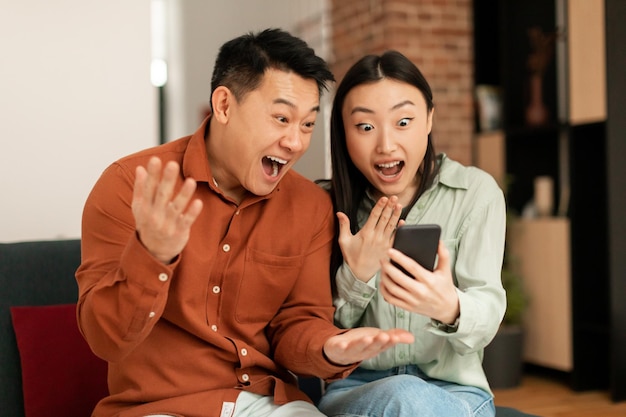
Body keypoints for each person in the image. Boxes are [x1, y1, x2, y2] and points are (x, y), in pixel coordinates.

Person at [75, 29, 414, 417]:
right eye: (281, 118)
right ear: (223, 105)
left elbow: (298, 323)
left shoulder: (310, 206)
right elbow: (106, 339)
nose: (295, 142)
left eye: (307, 124)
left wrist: (329, 348)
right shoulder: (129, 185)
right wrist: (152, 254)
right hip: (158, 406)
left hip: (266, 403)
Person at [316, 50, 507, 417]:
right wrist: (356, 277)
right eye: (365, 127)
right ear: (343, 131)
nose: (386, 145)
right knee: (403, 396)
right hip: (358, 389)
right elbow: (311, 332)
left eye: (403, 121)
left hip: (456, 394)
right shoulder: (324, 205)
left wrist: (448, 306)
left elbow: (487, 312)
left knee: (412, 400)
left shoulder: (476, 193)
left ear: (430, 118)